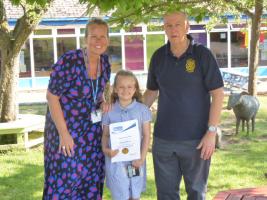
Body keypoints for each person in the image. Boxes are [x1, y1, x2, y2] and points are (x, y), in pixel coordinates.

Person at [143, 12, 224, 200]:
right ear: (164, 28)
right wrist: (130, 115)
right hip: (163, 141)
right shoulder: (158, 57)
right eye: (168, 25)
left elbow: (218, 94)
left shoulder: (203, 55)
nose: (173, 29)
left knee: (196, 193)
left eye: (178, 24)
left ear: (187, 27)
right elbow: (151, 93)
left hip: (197, 141)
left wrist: (211, 132)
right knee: (166, 195)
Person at [43, 18, 110, 199]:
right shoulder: (70, 61)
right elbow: (52, 96)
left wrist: (103, 102)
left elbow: (98, 93)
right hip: (66, 131)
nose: (98, 41)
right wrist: (64, 134)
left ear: (108, 40)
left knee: (91, 180)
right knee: (64, 181)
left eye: (102, 36)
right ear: (85, 39)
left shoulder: (106, 63)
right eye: (93, 36)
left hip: (91, 134)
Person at [102, 70, 152, 200]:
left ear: (135, 89)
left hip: (135, 161)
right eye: (121, 87)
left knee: (134, 195)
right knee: (120, 196)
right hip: (116, 162)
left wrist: (142, 158)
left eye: (129, 86)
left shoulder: (143, 110)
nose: (125, 90)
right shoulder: (109, 111)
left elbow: (147, 136)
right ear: (115, 89)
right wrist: (105, 149)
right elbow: (105, 135)